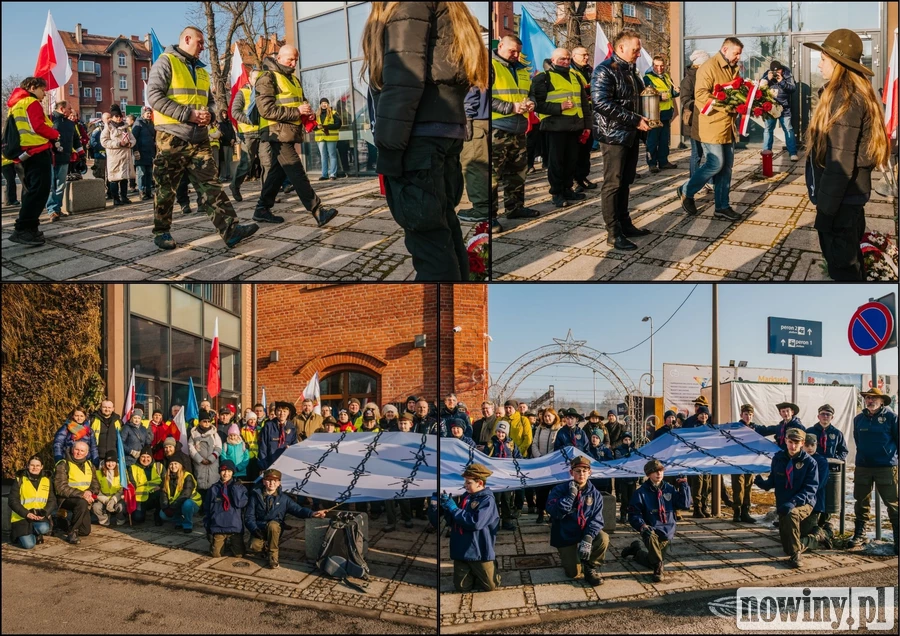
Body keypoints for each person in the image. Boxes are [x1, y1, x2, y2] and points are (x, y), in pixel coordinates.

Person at [361, 2, 487, 281]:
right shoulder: (444, 7)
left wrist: (390, 152)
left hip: (417, 138)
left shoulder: (410, 5)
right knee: (443, 229)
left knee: (429, 242)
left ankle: (436, 312)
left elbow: (404, 82)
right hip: (442, 132)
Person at [147, 26, 258, 250]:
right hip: (171, 137)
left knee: (211, 185)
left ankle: (230, 229)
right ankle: (161, 232)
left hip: (199, 138)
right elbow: (154, 96)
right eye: (200, 42)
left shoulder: (201, 71)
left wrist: (211, 113)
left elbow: (208, 100)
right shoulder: (166, 61)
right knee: (166, 188)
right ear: (186, 39)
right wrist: (189, 114)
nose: (203, 47)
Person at [803, 30, 890, 281]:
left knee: (843, 270)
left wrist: (825, 212)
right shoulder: (847, 92)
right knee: (849, 263)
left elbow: (839, 162)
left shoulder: (845, 98)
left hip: (841, 203)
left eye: (823, 58)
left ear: (838, 63)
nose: (819, 64)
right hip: (847, 200)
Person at [253, 45, 338, 227]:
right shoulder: (267, 77)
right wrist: (297, 111)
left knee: (278, 171)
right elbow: (265, 109)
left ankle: (262, 209)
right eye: (290, 59)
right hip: (275, 132)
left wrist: (307, 113)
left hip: (287, 132)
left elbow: (300, 103)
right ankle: (317, 211)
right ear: (279, 58)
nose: (293, 63)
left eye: (296, 60)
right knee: (296, 170)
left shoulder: (293, 79)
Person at [592, 30, 652, 251]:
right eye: (636, 49)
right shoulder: (605, 70)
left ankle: (625, 223)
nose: (638, 53)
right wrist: (635, 119)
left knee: (626, 181)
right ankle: (613, 232)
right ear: (620, 48)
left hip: (630, 134)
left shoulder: (632, 71)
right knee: (613, 184)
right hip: (614, 135)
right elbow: (601, 103)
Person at [676, 37, 744, 222]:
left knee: (726, 168)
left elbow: (737, 92)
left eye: (739, 54)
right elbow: (700, 95)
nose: (738, 57)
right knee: (715, 164)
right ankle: (686, 190)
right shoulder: (709, 67)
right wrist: (726, 104)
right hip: (710, 125)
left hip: (727, 125)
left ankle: (722, 206)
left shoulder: (734, 68)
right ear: (724, 49)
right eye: (736, 53)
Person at [532, 48, 590, 209]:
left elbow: (584, 104)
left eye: (567, 59)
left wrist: (587, 126)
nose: (565, 62)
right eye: (561, 59)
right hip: (554, 128)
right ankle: (556, 193)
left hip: (575, 126)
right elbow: (537, 104)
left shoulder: (574, 76)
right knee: (556, 162)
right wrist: (559, 107)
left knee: (571, 161)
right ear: (552, 60)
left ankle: (567, 188)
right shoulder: (543, 78)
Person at [753, 428, 819, 568]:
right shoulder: (778, 458)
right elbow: (773, 480)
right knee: (786, 548)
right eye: (790, 442)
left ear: (802, 443)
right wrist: (762, 483)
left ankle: (796, 556)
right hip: (783, 503)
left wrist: (793, 502)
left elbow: (810, 489)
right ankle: (815, 538)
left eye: (796, 442)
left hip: (803, 502)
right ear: (786, 441)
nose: (793, 446)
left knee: (792, 514)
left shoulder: (810, 463)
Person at [6, 76, 61, 246]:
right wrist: (55, 134)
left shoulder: (16, 105)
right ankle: (23, 229)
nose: (44, 94)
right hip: (36, 152)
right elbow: (38, 126)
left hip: (24, 154)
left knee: (30, 192)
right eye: (42, 89)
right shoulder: (31, 102)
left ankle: (31, 228)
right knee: (39, 192)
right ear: (32, 86)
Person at [491, 35, 539, 223]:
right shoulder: (490, 66)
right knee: (493, 176)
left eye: (518, 52)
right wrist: (511, 108)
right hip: (497, 130)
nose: (516, 55)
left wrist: (531, 103)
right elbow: (483, 97)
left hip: (519, 129)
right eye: (512, 51)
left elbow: (530, 93)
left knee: (518, 173)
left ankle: (515, 207)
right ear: (501, 45)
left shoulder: (522, 70)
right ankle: (491, 216)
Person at [847, 388, 898, 553]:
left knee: (893, 504)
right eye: (868, 398)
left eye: (874, 398)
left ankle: (897, 538)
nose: (870, 400)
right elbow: (858, 440)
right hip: (863, 467)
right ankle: (860, 535)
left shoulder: (892, 418)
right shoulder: (858, 419)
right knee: (861, 502)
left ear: (882, 401)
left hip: (886, 467)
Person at [622, 459, 690, 581]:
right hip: (651, 530)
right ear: (648, 474)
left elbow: (684, 505)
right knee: (653, 547)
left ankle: (636, 550)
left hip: (667, 531)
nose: (658, 474)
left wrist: (683, 484)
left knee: (651, 561)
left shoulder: (669, 489)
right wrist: (642, 526)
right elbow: (633, 514)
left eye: (661, 471)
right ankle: (658, 568)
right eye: (654, 471)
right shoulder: (641, 492)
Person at [436, 463, 501, 592]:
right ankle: (473, 571)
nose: (465, 485)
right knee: (461, 587)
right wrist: (447, 509)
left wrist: (454, 509)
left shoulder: (487, 500)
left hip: (479, 550)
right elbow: (454, 521)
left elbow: (475, 523)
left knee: (491, 586)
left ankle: (487, 569)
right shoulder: (466, 496)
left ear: (480, 483)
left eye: (468, 482)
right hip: (462, 548)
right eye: (465, 482)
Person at [545, 456, 609, 585]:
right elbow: (553, 511)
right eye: (578, 471)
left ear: (589, 472)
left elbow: (596, 518)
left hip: (584, 531)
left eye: (584, 471)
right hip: (565, 533)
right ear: (571, 472)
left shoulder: (595, 494)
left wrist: (589, 537)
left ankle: (590, 566)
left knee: (603, 538)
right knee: (573, 573)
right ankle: (574, 557)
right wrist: (570, 496)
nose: (581, 474)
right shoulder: (559, 490)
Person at [245, 468, 327, 569]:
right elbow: (249, 516)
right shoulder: (255, 496)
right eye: (269, 480)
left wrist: (312, 513)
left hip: (275, 528)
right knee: (254, 546)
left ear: (279, 483)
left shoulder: (284, 498)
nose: (272, 483)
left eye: (275, 481)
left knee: (273, 525)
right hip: (260, 528)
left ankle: (273, 555)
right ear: (263, 482)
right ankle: (265, 547)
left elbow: (298, 510)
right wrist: (254, 529)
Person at [807, 403, 848, 527]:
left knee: (827, 494)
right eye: (823, 414)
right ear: (818, 416)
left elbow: (843, 451)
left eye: (828, 414)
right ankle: (810, 519)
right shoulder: (809, 432)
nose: (825, 417)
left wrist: (834, 460)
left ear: (832, 417)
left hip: (829, 471)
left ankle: (824, 522)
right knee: (813, 491)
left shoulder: (836, 434)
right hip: (812, 469)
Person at [680, 50, 714, 193]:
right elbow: (685, 100)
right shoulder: (688, 80)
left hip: (707, 121)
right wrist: (702, 103)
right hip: (694, 122)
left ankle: (710, 181)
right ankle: (694, 182)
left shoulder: (706, 77)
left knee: (710, 154)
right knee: (697, 154)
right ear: (699, 65)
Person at [54, 440, 100, 543]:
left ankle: (62, 524)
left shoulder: (90, 465)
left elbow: (96, 485)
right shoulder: (63, 464)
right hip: (66, 499)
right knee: (82, 502)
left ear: (87, 453)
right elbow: (60, 488)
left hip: (83, 499)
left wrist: (89, 491)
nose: (79, 453)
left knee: (85, 531)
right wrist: (82, 494)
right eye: (76, 450)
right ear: (72, 450)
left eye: (82, 451)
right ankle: (72, 532)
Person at [9, 455, 57, 549]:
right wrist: (26, 514)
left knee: (44, 528)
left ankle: (35, 532)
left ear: (42, 466)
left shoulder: (47, 480)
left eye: (37, 465)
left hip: (39, 517)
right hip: (22, 517)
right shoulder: (20, 479)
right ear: (28, 465)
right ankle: (17, 535)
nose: (35, 468)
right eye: (32, 465)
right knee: (29, 545)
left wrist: (45, 513)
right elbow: (12, 501)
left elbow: (52, 500)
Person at [458, 87, 490, 223]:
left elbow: (472, 89)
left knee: (474, 165)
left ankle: (482, 208)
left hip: (477, 118)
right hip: (484, 117)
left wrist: (467, 114)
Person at [642, 56, 679, 174]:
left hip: (666, 113)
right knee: (652, 140)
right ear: (652, 66)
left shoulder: (667, 77)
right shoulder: (647, 78)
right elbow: (646, 95)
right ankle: (652, 163)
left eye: (661, 65)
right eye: (656, 66)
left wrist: (676, 91)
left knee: (664, 140)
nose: (659, 68)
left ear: (665, 65)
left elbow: (670, 94)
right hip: (654, 114)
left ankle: (663, 161)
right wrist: (659, 96)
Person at [204, 459, 248, 557]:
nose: (226, 474)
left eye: (229, 471)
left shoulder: (239, 487)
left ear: (233, 472)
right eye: (223, 471)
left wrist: (236, 489)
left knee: (239, 555)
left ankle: (231, 544)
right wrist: (208, 528)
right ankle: (222, 544)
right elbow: (207, 509)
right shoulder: (213, 489)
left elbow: (240, 504)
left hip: (234, 527)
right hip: (218, 527)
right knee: (216, 554)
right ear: (219, 472)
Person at [229, 70, 262, 201]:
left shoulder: (263, 93)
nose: (257, 81)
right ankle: (235, 185)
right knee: (247, 163)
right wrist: (250, 120)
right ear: (249, 79)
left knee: (267, 163)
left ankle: (267, 193)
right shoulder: (242, 93)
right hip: (248, 133)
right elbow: (235, 112)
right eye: (255, 78)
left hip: (264, 132)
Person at [485, 421, 522, 531]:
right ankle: (494, 521)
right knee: (495, 499)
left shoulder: (511, 444)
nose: (501, 434)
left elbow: (518, 457)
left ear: (506, 433)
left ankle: (506, 520)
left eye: (503, 432)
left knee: (506, 499)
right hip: (494, 476)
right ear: (496, 431)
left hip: (507, 477)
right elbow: (485, 457)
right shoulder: (491, 443)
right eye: (499, 432)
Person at [570, 46, 597, 192]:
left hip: (590, 114)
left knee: (586, 150)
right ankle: (574, 180)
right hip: (576, 115)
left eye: (587, 54)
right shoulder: (570, 71)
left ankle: (583, 176)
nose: (586, 57)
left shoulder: (589, 71)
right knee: (576, 150)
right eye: (583, 55)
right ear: (574, 56)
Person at [799, 433, 833, 549]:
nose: (810, 448)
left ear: (816, 445)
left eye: (812, 445)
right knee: (792, 533)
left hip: (814, 503)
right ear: (802, 445)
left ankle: (825, 532)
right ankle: (821, 529)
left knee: (805, 536)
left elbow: (819, 484)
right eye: (807, 445)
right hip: (799, 502)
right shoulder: (798, 459)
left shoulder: (821, 461)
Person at [759, 60, 798, 161]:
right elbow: (760, 87)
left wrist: (782, 82)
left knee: (788, 129)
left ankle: (793, 153)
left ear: (781, 69)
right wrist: (767, 78)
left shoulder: (787, 73)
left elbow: (793, 88)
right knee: (768, 129)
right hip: (770, 107)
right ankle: (766, 152)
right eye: (775, 72)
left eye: (779, 71)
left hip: (784, 107)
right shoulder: (767, 74)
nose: (777, 73)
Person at [45, 101, 76, 222]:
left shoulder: (70, 123)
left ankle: (57, 209)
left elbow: (75, 139)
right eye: (69, 108)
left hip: (64, 157)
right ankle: (51, 210)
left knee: (60, 185)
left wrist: (80, 154)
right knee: (51, 185)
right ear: (62, 109)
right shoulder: (48, 119)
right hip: (50, 157)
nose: (71, 110)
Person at [101, 104, 137, 206]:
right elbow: (104, 142)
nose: (119, 118)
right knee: (114, 179)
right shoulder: (108, 128)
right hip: (114, 157)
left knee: (124, 178)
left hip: (125, 156)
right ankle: (116, 199)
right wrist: (118, 144)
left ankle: (124, 197)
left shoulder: (126, 127)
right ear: (112, 117)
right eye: (116, 116)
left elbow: (133, 139)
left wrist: (130, 144)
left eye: (120, 116)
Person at [159, 451, 202, 532]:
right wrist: (165, 507)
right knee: (162, 514)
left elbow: (186, 494)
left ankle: (187, 524)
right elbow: (163, 494)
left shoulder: (187, 476)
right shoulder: (166, 478)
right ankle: (179, 521)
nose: (173, 466)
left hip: (192, 503)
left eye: (176, 463)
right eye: (171, 464)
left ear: (180, 465)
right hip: (176, 504)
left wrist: (172, 507)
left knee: (187, 504)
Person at [732, 404, 758, 523]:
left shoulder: (754, 428)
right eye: (746, 414)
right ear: (742, 415)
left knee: (748, 486)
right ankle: (736, 512)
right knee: (738, 487)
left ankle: (745, 512)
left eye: (750, 415)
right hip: (737, 461)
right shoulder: (736, 427)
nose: (748, 417)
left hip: (750, 461)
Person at [189, 412, 221, 504]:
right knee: (200, 486)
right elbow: (191, 448)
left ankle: (210, 507)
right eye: (204, 421)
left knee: (212, 487)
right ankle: (201, 507)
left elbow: (219, 447)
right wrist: (200, 459)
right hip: (200, 464)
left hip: (212, 465)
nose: (207, 423)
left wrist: (211, 458)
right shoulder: (194, 434)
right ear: (199, 422)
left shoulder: (214, 434)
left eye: (208, 421)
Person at [257, 401, 298, 471]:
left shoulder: (292, 427)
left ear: (288, 413)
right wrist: (264, 467)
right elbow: (262, 448)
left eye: (285, 411)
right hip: (270, 465)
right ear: (276, 412)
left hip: (286, 465)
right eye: (279, 411)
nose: (282, 413)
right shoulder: (268, 426)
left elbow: (295, 445)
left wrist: (291, 449)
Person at [129, 446, 165, 524]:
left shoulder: (159, 466)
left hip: (155, 495)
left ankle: (157, 514)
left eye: (148, 457)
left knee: (161, 493)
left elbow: (165, 481)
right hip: (140, 498)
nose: (145, 459)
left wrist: (160, 487)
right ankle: (142, 513)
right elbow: (132, 484)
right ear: (139, 457)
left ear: (151, 457)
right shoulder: (132, 468)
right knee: (137, 518)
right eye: (143, 457)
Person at [93, 450, 125, 526]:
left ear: (116, 462)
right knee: (96, 507)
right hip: (103, 499)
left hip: (116, 499)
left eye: (113, 461)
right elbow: (96, 489)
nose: (110, 464)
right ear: (104, 462)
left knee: (121, 506)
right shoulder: (98, 473)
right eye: (108, 462)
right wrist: (106, 500)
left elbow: (122, 489)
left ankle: (120, 518)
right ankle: (104, 519)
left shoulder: (121, 473)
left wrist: (114, 500)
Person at [131, 106, 157, 200]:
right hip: (141, 152)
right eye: (147, 113)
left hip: (149, 152)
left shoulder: (151, 124)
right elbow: (133, 138)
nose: (149, 115)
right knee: (141, 173)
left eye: (150, 113)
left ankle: (148, 191)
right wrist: (135, 151)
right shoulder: (138, 123)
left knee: (149, 173)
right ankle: (142, 192)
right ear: (143, 114)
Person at [314, 98, 341, 181]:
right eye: (322, 103)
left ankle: (333, 174)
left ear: (328, 104)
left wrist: (326, 127)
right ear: (320, 104)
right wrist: (316, 127)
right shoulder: (316, 114)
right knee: (323, 156)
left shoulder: (334, 113)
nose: (324, 104)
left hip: (331, 137)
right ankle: (324, 174)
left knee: (332, 155)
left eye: (325, 103)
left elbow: (338, 125)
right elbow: (312, 126)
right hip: (320, 138)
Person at [90, 400, 123, 467]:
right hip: (97, 457)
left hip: (113, 458)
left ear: (113, 409)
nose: (107, 409)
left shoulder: (118, 421)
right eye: (104, 407)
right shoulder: (93, 419)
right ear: (100, 408)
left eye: (109, 407)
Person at [240, 409, 261, 481]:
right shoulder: (243, 430)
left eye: (254, 419)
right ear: (247, 420)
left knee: (255, 476)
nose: (252, 421)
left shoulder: (259, 429)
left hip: (256, 455)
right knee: (247, 476)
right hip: (247, 456)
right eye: (250, 419)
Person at [216, 109, 235, 181]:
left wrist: (233, 139)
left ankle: (229, 174)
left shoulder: (229, 123)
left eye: (225, 114)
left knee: (230, 160)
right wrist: (229, 140)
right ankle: (223, 176)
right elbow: (222, 134)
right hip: (223, 144)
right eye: (223, 114)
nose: (225, 115)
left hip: (230, 144)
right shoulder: (220, 124)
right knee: (224, 161)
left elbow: (232, 132)